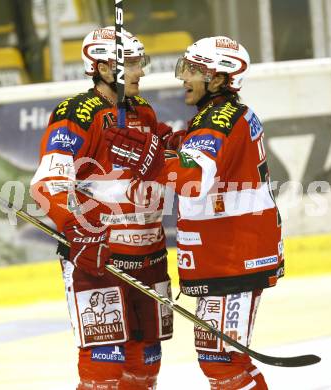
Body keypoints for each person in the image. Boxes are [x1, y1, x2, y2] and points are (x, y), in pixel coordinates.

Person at [104, 36, 285, 389]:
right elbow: (190, 152)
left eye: (195, 70)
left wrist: (146, 156)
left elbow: (192, 177)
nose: (184, 77)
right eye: (186, 67)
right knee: (224, 360)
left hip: (234, 257)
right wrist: (156, 140)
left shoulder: (218, 120)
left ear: (219, 78)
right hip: (231, 255)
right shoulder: (222, 115)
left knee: (221, 361)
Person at [30, 26, 182, 390]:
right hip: (99, 258)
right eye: (131, 63)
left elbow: (167, 163)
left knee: (145, 368)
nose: (140, 71)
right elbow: (48, 185)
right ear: (102, 68)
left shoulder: (143, 111)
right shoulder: (77, 113)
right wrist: (76, 229)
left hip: (149, 257)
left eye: (139, 61)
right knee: (103, 371)